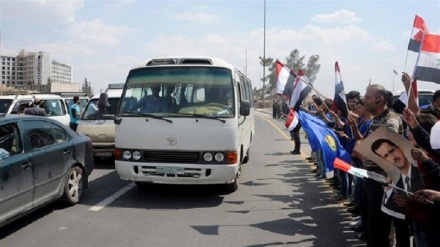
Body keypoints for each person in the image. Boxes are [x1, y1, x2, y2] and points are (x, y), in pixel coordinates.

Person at [354, 84, 405, 246]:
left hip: (382, 182)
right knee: (371, 224)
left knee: (378, 228)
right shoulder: (377, 120)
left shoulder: (390, 121)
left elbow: (392, 150)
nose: (364, 100)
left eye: (367, 97)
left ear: (379, 100)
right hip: (371, 178)